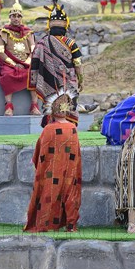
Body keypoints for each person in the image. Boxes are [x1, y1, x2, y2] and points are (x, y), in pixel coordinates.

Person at [24, 93, 82, 232]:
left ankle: (43, 224)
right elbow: (76, 153)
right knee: (69, 193)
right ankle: (71, 225)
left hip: (50, 171)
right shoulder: (73, 128)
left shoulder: (48, 129)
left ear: (51, 112)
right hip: (69, 170)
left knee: (48, 193)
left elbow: (40, 152)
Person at [28, 0, 84, 126]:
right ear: (65, 25)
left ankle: (51, 128)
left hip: (48, 81)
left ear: (50, 25)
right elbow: (77, 64)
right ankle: (68, 129)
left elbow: (34, 64)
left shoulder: (41, 43)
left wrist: (37, 81)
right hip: (68, 81)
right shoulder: (71, 43)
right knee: (69, 104)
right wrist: (81, 80)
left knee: (50, 103)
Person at [0, 0, 40, 116]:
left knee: (34, 75)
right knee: (7, 75)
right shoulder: (4, 32)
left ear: (21, 18)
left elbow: (33, 50)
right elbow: (0, 52)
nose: (16, 18)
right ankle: (9, 107)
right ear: (9, 17)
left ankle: (34, 106)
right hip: (9, 64)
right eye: (13, 16)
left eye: (18, 16)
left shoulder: (28, 32)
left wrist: (26, 63)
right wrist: (14, 64)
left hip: (26, 63)